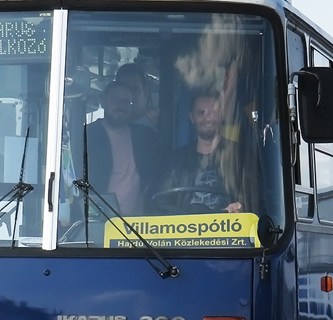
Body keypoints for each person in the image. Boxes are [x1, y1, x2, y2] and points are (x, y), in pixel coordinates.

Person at [158, 90, 243, 214]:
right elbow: (161, 203)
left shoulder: (239, 156)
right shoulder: (175, 161)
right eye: (201, 113)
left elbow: (252, 195)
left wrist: (240, 205)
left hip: (229, 229)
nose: (208, 118)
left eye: (214, 112)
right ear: (192, 118)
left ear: (222, 115)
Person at [83, 81, 160, 214]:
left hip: (138, 225)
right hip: (99, 221)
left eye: (126, 102)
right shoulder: (87, 135)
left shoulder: (144, 136)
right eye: (116, 100)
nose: (121, 105)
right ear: (103, 102)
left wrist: (158, 123)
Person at [115, 62, 159, 128]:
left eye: (135, 89)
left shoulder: (162, 120)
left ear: (145, 92)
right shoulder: (111, 127)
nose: (130, 94)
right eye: (126, 88)